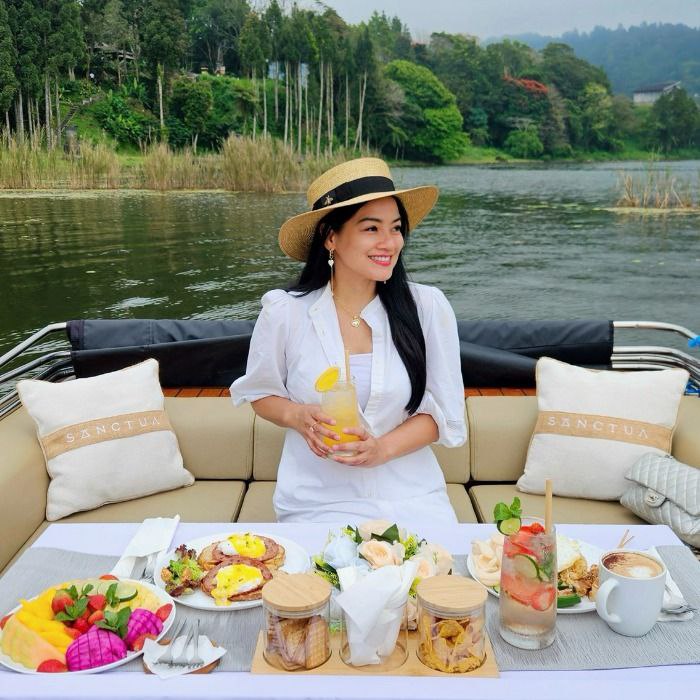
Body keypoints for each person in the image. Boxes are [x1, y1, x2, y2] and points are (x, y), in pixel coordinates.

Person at [230, 157, 466, 525]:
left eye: (396, 228)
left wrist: (381, 449)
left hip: (412, 495)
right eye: (371, 228)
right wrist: (296, 415)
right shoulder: (285, 312)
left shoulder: (427, 307)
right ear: (331, 237)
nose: (390, 242)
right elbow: (260, 391)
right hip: (316, 499)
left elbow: (444, 414)